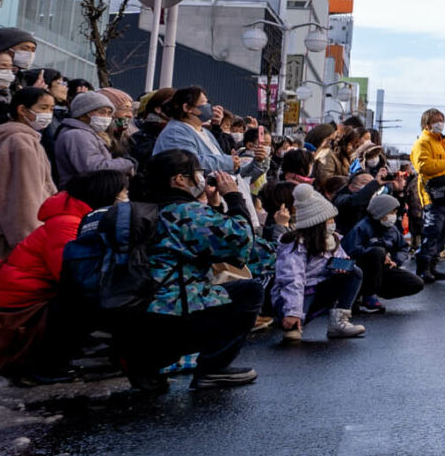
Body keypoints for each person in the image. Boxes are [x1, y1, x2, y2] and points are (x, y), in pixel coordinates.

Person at [91, 151, 262, 392]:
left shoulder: (135, 210)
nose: (201, 179)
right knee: (249, 291)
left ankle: (144, 365)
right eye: (198, 174)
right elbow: (241, 243)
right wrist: (233, 197)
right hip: (173, 317)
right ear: (180, 179)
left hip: (126, 313)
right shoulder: (186, 212)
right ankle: (212, 369)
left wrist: (212, 208)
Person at [0, 172, 127, 384]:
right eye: (123, 192)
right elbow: (70, 275)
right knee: (80, 305)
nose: (126, 197)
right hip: (21, 306)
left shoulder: (77, 219)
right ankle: (43, 369)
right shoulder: (68, 224)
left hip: (29, 296)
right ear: (106, 195)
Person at [0, 85, 60, 284]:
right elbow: (24, 196)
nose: (48, 114)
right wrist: (29, 237)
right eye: (43, 108)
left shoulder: (13, 138)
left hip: (5, 228)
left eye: (51, 109)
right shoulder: (21, 143)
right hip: (19, 232)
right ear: (22, 110)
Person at [273, 186, 365, 343]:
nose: (333, 224)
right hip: (297, 295)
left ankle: (339, 322)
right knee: (292, 332)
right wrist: (293, 311)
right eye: (329, 220)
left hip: (319, 289)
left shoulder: (332, 239)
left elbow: (342, 258)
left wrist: (340, 268)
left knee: (354, 272)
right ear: (316, 223)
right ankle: (291, 321)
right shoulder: (296, 244)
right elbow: (292, 279)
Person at [50, 90, 134, 183]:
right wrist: (126, 163)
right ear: (84, 113)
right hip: (81, 193)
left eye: (109, 113)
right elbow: (94, 168)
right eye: (102, 112)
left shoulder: (91, 134)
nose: (106, 117)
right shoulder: (78, 135)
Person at [412, 109, 445, 207]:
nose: (440, 124)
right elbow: (424, 166)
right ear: (426, 124)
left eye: (441, 120)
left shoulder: (444, 143)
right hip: (433, 197)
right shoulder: (422, 143)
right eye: (435, 121)